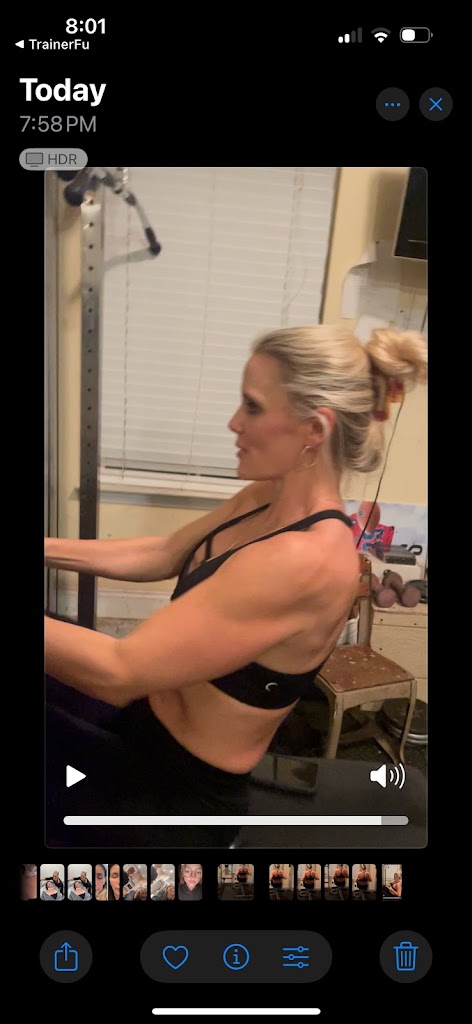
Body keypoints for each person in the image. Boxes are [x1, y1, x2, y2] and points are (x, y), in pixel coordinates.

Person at [44, 325, 427, 847]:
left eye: (252, 406)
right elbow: (163, 553)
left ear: (314, 429)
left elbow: (118, 671)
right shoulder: (267, 497)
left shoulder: (307, 560)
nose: (233, 422)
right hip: (143, 728)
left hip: (173, 800)